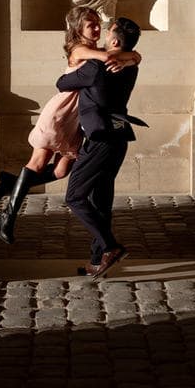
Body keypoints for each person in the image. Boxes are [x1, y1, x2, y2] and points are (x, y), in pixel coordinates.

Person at [0, 6, 141, 244]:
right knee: (38, 163)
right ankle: (7, 216)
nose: (96, 27)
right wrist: (129, 58)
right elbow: (108, 57)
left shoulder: (95, 50)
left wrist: (133, 57)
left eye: (96, 23)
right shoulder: (79, 49)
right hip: (60, 114)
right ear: (77, 28)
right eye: (90, 23)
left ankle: (10, 183)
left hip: (77, 120)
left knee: (61, 171)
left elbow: (120, 54)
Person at [60, 16, 144, 279]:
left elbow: (62, 84)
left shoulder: (95, 67)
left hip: (99, 140)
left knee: (75, 196)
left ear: (116, 40)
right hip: (119, 139)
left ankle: (110, 246)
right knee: (101, 200)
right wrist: (133, 56)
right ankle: (97, 260)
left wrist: (81, 61)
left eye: (109, 33)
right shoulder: (130, 66)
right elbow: (134, 56)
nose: (105, 35)